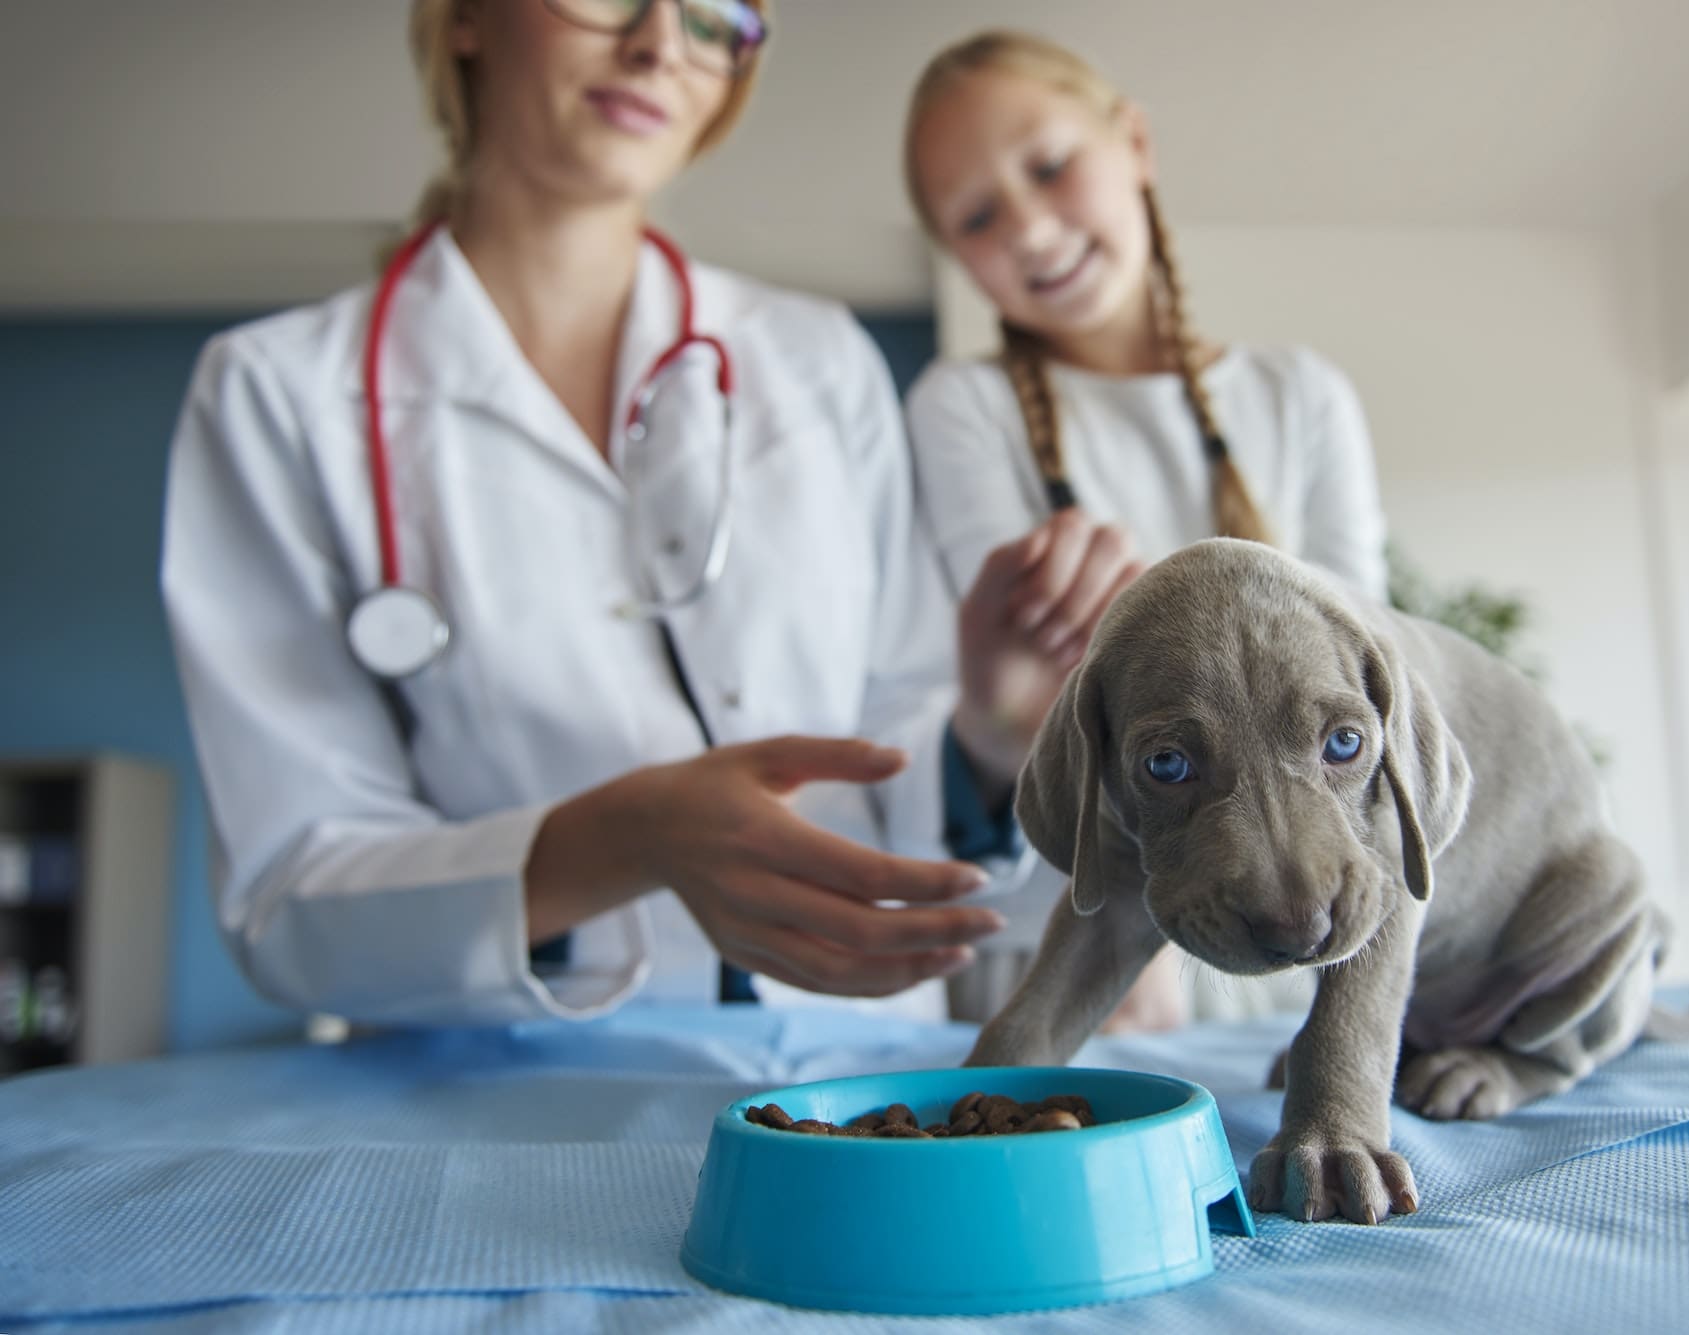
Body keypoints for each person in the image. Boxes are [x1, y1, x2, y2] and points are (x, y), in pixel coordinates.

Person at [161, 0, 1131, 1028]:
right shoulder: (277, 395)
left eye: (713, 16)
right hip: (508, 1106)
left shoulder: (815, 362)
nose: (659, 43)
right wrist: (625, 838)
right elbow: (292, 901)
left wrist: (987, 736)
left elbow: (895, 736)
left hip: (848, 1083)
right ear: (466, 21)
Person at [902, 30, 1392, 1024]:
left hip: (1299, 937)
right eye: (978, 217)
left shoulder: (1296, 396)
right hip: (1085, 950)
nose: (1032, 234)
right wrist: (1135, 943)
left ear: (1132, 141)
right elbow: (1033, 701)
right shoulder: (963, 406)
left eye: (1048, 168)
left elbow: (1368, 675)